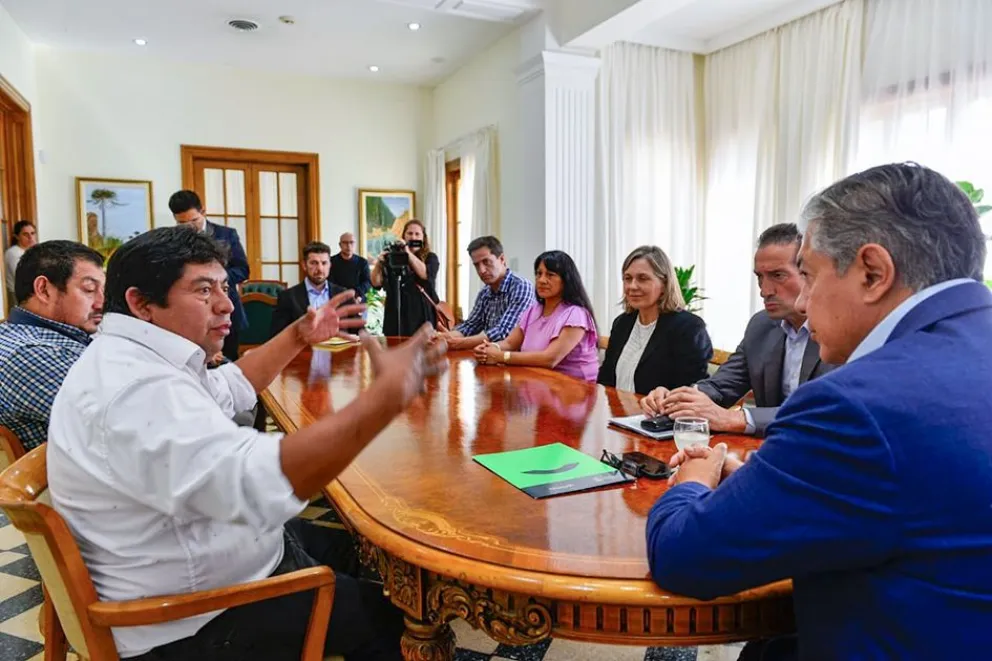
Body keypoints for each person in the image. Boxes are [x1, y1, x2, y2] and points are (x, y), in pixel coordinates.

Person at [47, 225, 448, 661]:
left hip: (208, 557)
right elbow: (260, 482)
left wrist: (298, 336)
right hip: (196, 621)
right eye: (203, 291)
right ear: (141, 303)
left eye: (223, 286)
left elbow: (229, 386)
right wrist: (384, 398)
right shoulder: (137, 391)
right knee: (394, 624)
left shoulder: (133, 357)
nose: (227, 304)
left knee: (358, 546)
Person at [647, 163, 992, 660]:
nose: (803, 303)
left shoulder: (856, 404)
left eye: (806, 274)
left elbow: (684, 556)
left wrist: (696, 478)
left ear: (873, 272)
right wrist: (764, 476)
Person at [640, 223, 834, 435]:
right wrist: (678, 399)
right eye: (760, 277)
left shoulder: (840, 329)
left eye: (778, 275)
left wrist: (738, 418)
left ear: (808, 274)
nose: (764, 290)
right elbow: (721, 386)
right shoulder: (760, 326)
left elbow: (825, 410)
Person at [0, 241, 104, 450]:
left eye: (103, 290)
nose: (101, 302)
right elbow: (126, 426)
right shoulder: (30, 355)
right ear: (44, 290)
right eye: (89, 289)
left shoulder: (34, 336)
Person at [598, 246, 713, 395]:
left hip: (659, 415)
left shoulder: (688, 327)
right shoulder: (622, 323)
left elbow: (690, 390)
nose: (632, 286)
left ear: (664, 284)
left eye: (643, 278)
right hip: (617, 413)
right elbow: (606, 379)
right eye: (628, 278)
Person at [474, 250, 599, 382]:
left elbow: (550, 359)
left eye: (550, 275)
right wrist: (490, 348)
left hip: (574, 389)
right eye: (539, 274)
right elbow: (510, 343)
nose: (542, 280)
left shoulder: (576, 314)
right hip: (537, 381)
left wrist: (500, 356)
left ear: (566, 280)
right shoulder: (533, 310)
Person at [169, 189, 249, 361]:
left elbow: (243, 269)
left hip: (226, 309)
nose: (189, 227)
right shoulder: (173, 240)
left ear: (203, 212)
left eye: (194, 220)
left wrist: (214, 281)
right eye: (182, 223)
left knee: (228, 364)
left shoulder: (227, 235)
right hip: (192, 313)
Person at [438, 236, 534, 350]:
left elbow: (504, 332)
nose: (481, 270)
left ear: (502, 259)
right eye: (476, 265)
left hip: (518, 360)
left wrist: (458, 342)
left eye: (486, 262)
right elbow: (470, 326)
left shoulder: (522, 286)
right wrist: (445, 336)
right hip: (489, 357)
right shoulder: (484, 292)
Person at [271, 241, 356, 340]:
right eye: (314, 263)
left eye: (324, 263)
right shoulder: (287, 297)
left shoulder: (343, 295)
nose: (320, 269)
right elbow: (276, 337)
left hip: (339, 352)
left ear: (330, 265)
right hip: (303, 352)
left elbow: (358, 330)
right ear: (304, 265)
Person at [370, 219, 440, 337]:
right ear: (404, 236)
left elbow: (425, 274)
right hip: (395, 315)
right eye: (410, 233)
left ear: (423, 238)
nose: (413, 237)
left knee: (422, 353)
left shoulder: (430, 258)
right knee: (394, 351)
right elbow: (375, 283)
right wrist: (379, 263)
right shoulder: (393, 256)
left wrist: (408, 253)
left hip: (421, 315)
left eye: (417, 234)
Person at [330, 232, 372, 302]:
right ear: (340, 245)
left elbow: (367, 282)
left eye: (351, 242)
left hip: (358, 299)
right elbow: (329, 283)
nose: (349, 246)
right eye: (345, 243)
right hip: (337, 301)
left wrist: (356, 293)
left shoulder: (362, 262)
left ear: (355, 244)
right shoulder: (331, 262)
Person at [4, 220, 37, 302]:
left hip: (30, 294)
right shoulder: (13, 253)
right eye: (26, 234)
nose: (30, 237)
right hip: (18, 296)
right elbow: (23, 276)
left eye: (32, 233)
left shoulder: (33, 251)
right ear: (17, 236)